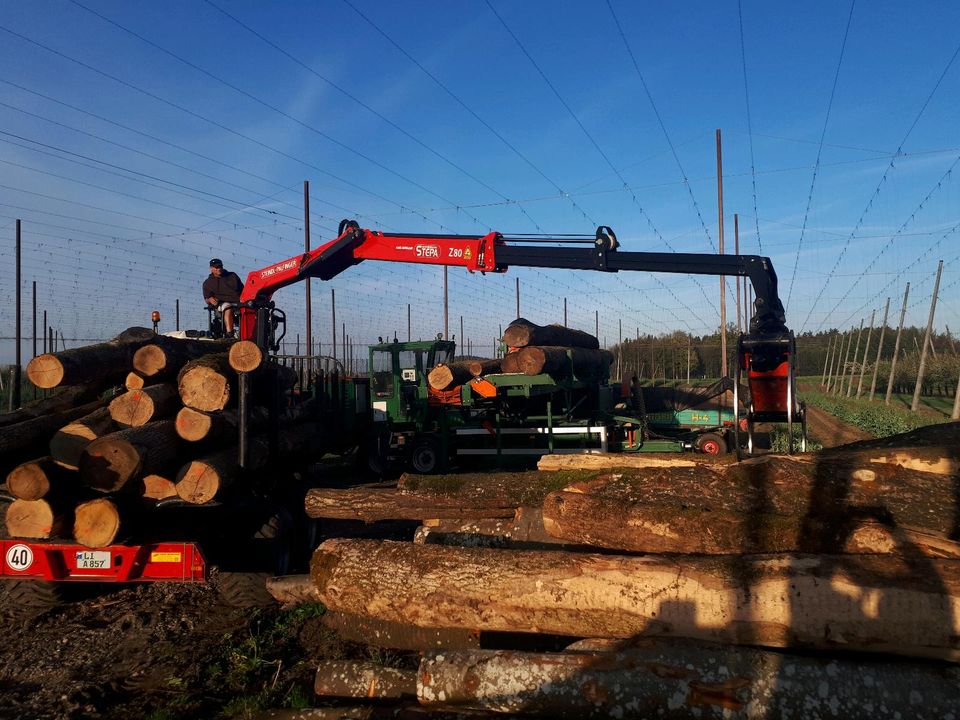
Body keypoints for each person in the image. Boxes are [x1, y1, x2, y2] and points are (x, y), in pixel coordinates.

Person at [202, 258, 244, 335]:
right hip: (222, 304)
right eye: (216, 267)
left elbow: (243, 289)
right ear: (211, 269)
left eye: (220, 266)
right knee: (227, 307)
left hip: (239, 302)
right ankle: (230, 333)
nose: (219, 269)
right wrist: (209, 299)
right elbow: (207, 299)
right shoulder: (208, 283)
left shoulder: (232, 276)